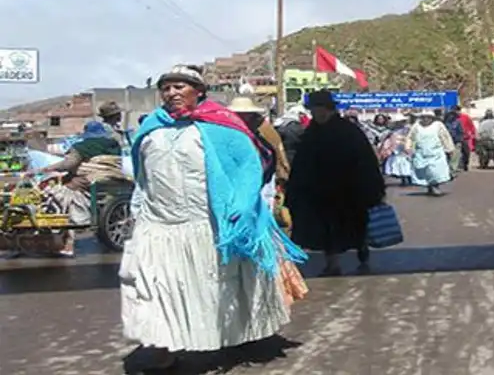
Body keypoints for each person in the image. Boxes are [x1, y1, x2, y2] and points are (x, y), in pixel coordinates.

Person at [121, 64, 305, 370]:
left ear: (199, 92)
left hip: (208, 222)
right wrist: (137, 208)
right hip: (159, 223)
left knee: (214, 287)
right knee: (158, 286)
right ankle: (164, 344)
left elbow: (249, 167)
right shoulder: (152, 127)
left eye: (180, 87)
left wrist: (244, 204)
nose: (172, 93)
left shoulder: (222, 127)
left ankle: (232, 336)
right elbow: (142, 175)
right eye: (166, 88)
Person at [285, 89, 385, 276]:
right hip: (320, 192)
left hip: (349, 191)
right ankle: (332, 263)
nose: (316, 113)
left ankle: (362, 249)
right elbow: (302, 163)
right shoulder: (311, 133)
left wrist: (371, 188)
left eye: (319, 108)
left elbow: (365, 160)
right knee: (326, 230)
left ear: (328, 109)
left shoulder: (348, 131)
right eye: (314, 109)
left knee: (354, 225)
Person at [34, 120, 125, 257]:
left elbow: (69, 164)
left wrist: (48, 168)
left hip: (87, 181)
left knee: (60, 192)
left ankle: (67, 239)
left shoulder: (82, 146)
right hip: (110, 179)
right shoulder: (113, 144)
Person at [228, 96, 291, 211]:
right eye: (239, 114)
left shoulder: (264, 130)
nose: (244, 117)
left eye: (246, 114)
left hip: (264, 177)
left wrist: (280, 172)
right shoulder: (228, 130)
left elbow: (277, 149)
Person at [406, 110, 456, 196]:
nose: (426, 119)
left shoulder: (438, 125)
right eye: (424, 117)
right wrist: (408, 147)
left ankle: (435, 187)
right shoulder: (416, 126)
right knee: (426, 172)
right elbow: (410, 137)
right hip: (421, 153)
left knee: (435, 171)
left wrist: (449, 148)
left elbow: (445, 137)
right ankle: (430, 186)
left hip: (436, 153)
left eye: (428, 117)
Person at [453, 105, 477, 172]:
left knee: (466, 152)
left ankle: (465, 164)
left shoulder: (465, 117)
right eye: (454, 111)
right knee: (455, 153)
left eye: (457, 111)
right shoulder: (452, 118)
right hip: (455, 138)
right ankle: (456, 166)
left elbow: (471, 126)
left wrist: (473, 134)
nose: (456, 112)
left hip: (465, 138)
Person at [443, 108, 465, 177]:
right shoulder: (444, 123)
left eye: (452, 115)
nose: (451, 116)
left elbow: (461, 132)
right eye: (450, 115)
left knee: (455, 157)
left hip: (456, 141)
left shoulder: (457, 122)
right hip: (446, 143)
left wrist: (460, 141)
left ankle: (452, 171)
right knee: (446, 157)